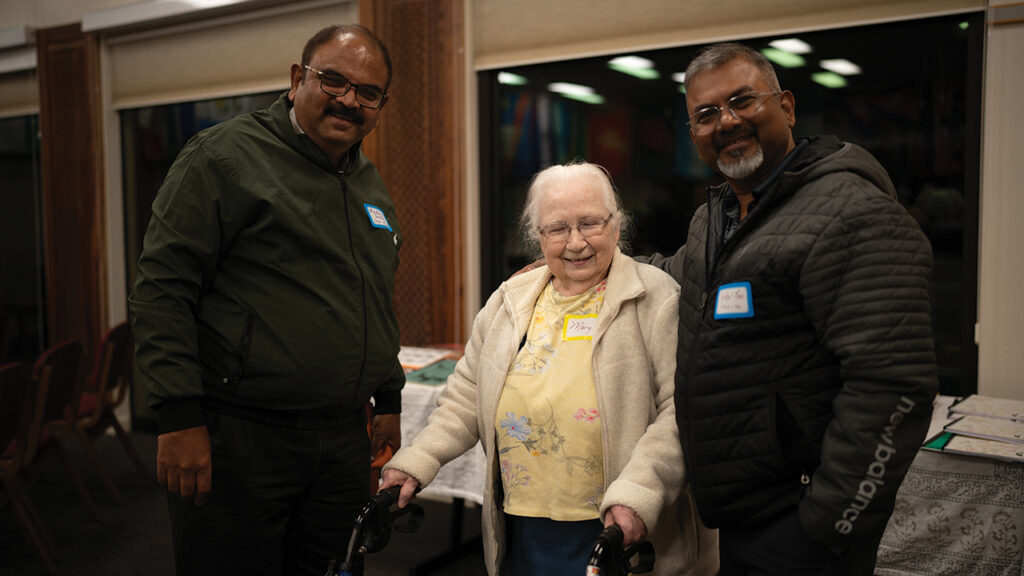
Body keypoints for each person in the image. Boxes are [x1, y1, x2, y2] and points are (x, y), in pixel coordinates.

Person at [640, 42, 938, 575]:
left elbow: (893, 383)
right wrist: (590, 263)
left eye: (742, 101)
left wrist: (831, 524)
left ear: (788, 107)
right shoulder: (718, 218)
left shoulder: (849, 212)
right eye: (706, 114)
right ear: (693, 135)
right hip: (743, 515)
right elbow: (673, 273)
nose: (726, 122)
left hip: (804, 526)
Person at [129, 25, 404, 576]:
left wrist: (388, 396)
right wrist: (178, 415)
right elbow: (162, 289)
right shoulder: (222, 157)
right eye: (334, 81)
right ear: (298, 78)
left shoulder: (368, 180)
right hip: (241, 440)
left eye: (368, 92)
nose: (350, 100)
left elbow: (372, 295)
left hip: (341, 441)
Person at [381, 161, 718, 576]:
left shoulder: (656, 298)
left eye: (590, 223)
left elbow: (678, 413)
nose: (576, 242)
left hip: (620, 527)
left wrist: (637, 495)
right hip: (524, 523)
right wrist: (416, 460)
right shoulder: (510, 300)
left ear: (616, 226)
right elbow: (465, 396)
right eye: (558, 228)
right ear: (537, 237)